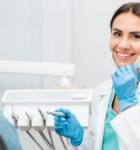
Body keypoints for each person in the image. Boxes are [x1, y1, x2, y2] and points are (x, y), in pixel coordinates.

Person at [54, 2, 140, 150]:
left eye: (136, 36)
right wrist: (79, 140)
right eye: (117, 34)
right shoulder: (102, 92)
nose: (123, 44)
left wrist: (130, 107)